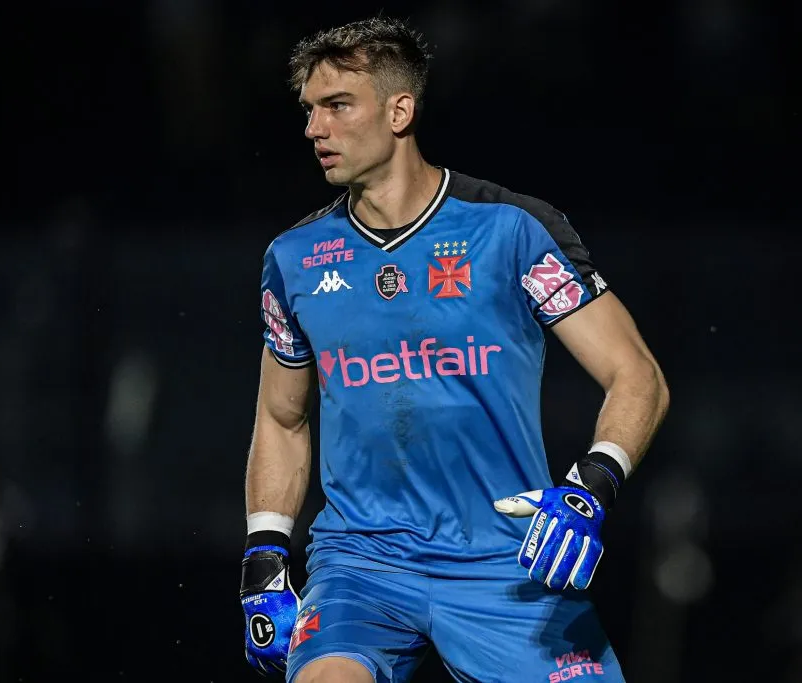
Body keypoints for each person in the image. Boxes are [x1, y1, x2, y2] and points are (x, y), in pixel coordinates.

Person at [240, 16, 669, 683]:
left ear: (400, 110)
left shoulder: (512, 231)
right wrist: (264, 557)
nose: (313, 129)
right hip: (361, 564)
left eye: (336, 106)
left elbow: (636, 374)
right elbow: (281, 417)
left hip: (507, 562)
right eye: (309, 110)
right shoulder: (294, 260)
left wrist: (590, 488)